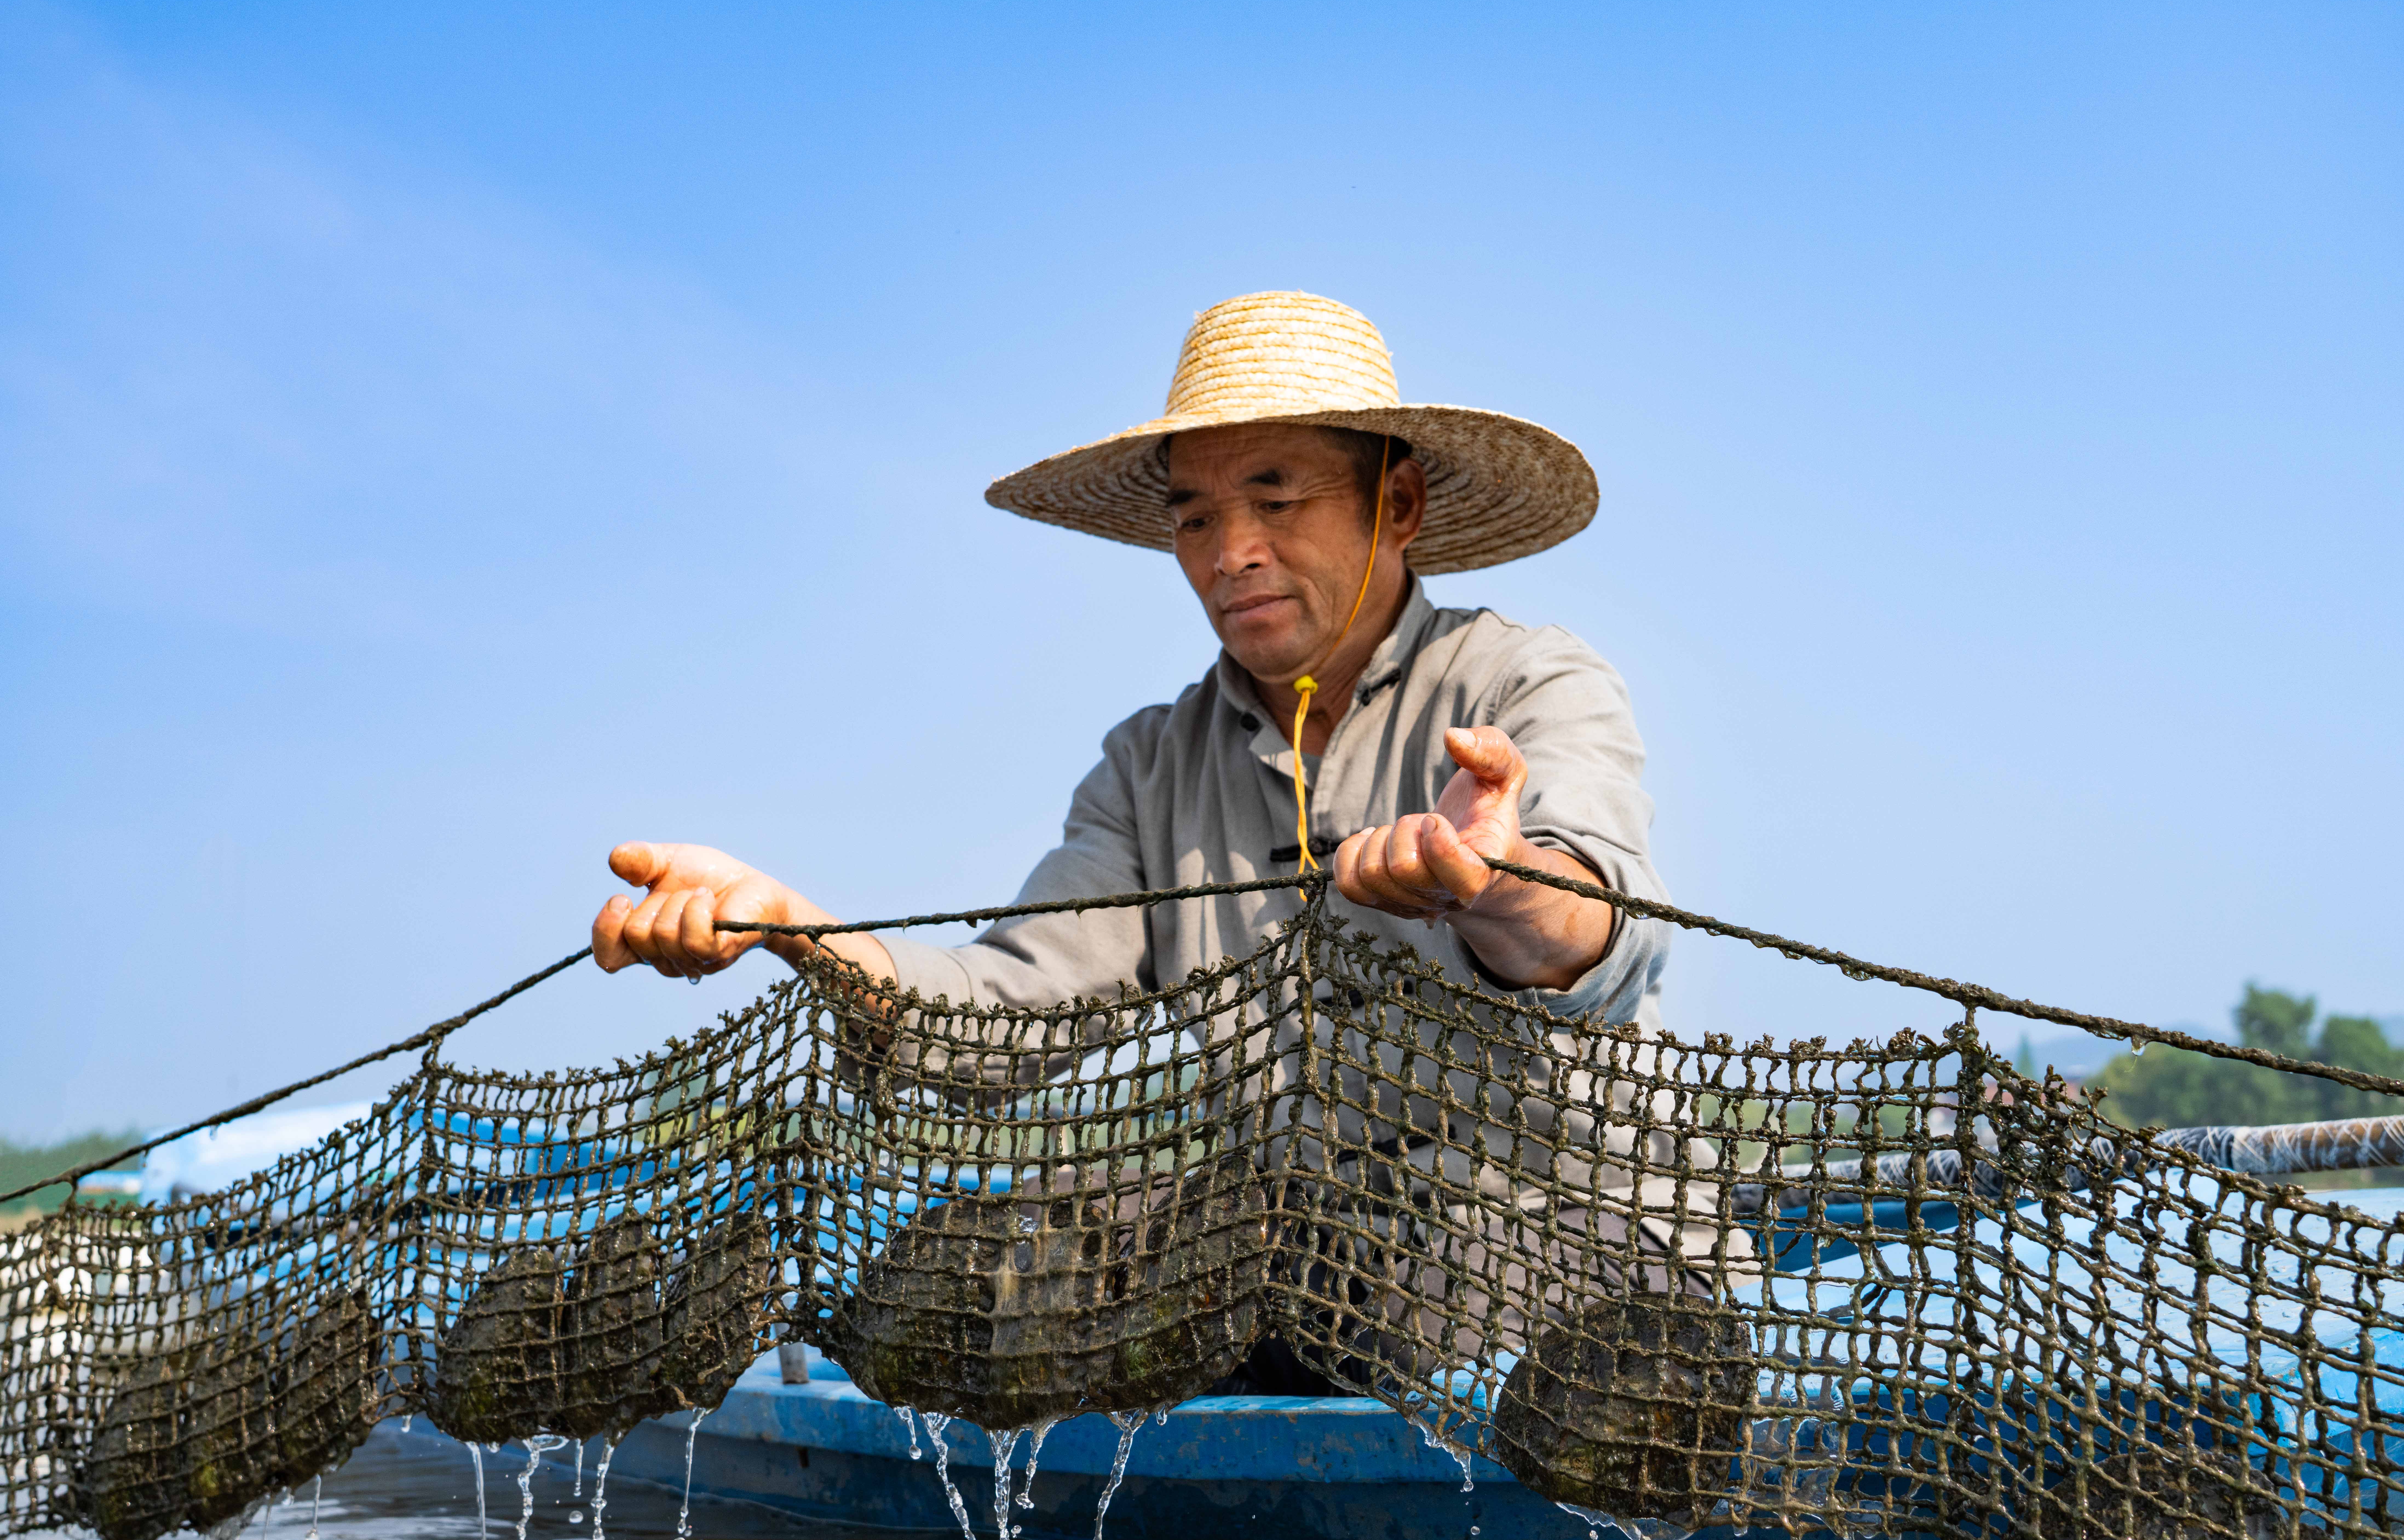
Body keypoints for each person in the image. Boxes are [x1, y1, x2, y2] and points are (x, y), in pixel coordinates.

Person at [588, 291, 1679, 1390]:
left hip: (1564, 1248)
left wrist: (1495, 885)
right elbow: (1001, 1016)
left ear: (1395, 504)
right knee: (1022, 1254)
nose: (1231, 553)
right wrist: (794, 927)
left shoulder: (1527, 681)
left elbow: (1596, 929)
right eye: (1195, 516)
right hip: (1303, 1260)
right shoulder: (1150, 765)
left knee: (1467, 1299)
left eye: (1277, 498)